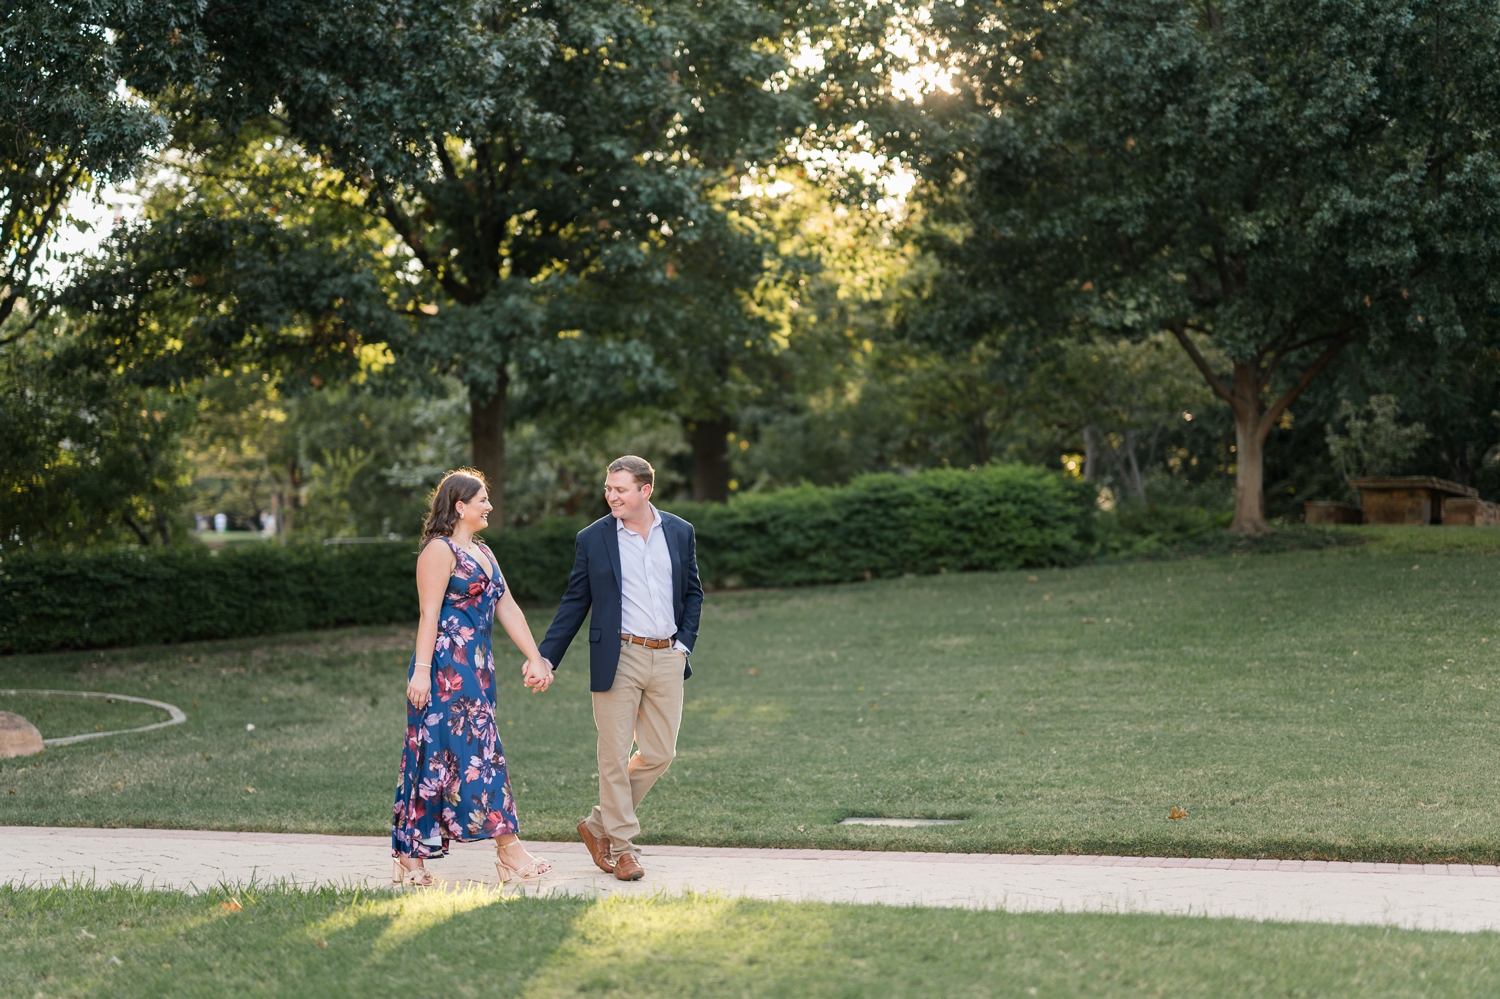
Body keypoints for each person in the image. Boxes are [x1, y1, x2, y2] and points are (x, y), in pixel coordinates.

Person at [537, 455, 703, 882]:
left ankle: (596, 825)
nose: (610, 496)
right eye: (608, 489)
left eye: (620, 490)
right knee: (613, 756)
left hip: (668, 655)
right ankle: (624, 848)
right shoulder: (593, 538)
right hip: (619, 655)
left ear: (645, 491)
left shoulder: (680, 532)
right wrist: (545, 657)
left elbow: (692, 592)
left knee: (659, 753)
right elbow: (576, 601)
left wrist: (683, 644)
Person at [391, 469, 554, 886]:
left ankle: (412, 855)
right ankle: (506, 849)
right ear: (460, 506)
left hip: (478, 669)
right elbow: (429, 614)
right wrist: (423, 672)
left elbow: (509, 607)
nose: (489, 506)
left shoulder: (484, 552)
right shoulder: (438, 551)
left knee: (450, 758)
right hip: (444, 669)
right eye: (483, 500)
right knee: (457, 756)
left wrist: (535, 657)